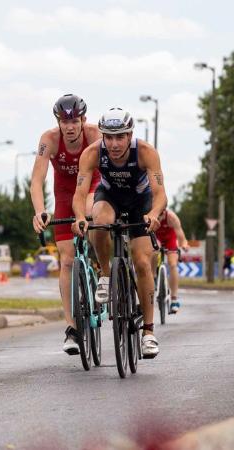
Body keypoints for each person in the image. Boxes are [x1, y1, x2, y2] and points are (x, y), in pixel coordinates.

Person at [71, 107, 168, 358]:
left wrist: (154, 214)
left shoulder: (146, 152)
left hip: (140, 202)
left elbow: (160, 194)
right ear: (102, 136)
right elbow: (80, 193)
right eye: (109, 137)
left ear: (130, 135)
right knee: (99, 221)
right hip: (110, 196)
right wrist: (81, 217)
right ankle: (105, 274)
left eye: (120, 137)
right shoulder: (92, 153)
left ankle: (148, 332)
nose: (114, 144)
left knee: (143, 262)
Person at [30, 94, 101, 355]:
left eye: (74, 121)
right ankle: (71, 328)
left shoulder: (94, 134)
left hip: (93, 185)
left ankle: (102, 270)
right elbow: (37, 180)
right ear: (58, 122)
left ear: (83, 120)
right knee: (67, 260)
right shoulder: (49, 140)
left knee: (92, 211)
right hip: (63, 192)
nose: (70, 127)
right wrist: (40, 211)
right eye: (64, 121)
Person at [154, 209, 189, 313]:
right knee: (153, 252)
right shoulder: (150, 215)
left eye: (161, 215)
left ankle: (174, 298)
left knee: (173, 264)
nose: (159, 218)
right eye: (158, 216)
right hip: (156, 238)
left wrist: (184, 244)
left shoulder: (172, 218)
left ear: (165, 212)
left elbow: (181, 236)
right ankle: (153, 278)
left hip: (170, 239)